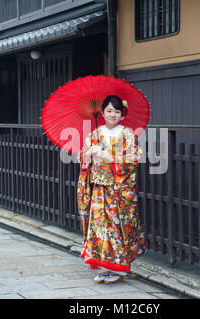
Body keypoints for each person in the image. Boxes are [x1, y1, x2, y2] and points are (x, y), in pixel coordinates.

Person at [77, 95, 147, 284]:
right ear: (102, 113)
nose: (112, 114)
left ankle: (118, 267)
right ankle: (103, 266)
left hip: (118, 189)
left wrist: (110, 157)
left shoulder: (127, 134)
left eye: (116, 111)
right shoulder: (94, 135)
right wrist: (89, 154)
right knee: (99, 226)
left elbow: (133, 160)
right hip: (100, 187)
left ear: (121, 114)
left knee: (117, 226)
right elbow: (82, 160)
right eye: (109, 111)